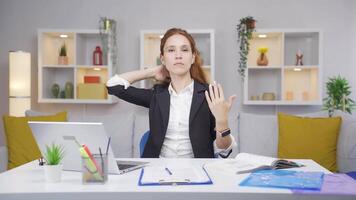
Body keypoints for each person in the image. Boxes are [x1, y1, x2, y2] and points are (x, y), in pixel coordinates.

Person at [106, 28, 237, 158]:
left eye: (184, 50)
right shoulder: (156, 96)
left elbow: (224, 149)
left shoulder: (209, 94)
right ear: (162, 59)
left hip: (197, 172)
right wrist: (151, 72)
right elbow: (113, 86)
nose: (178, 55)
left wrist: (222, 121)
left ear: (192, 58)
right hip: (157, 171)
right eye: (171, 50)